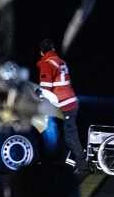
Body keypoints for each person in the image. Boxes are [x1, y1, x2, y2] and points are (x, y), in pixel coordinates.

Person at [37, 38, 86, 172]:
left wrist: (39, 96)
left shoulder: (47, 64)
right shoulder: (60, 61)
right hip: (69, 101)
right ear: (53, 49)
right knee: (64, 133)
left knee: (69, 135)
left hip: (65, 104)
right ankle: (67, 161)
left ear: (41, 53)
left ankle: (82, 164)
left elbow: (46, 88)